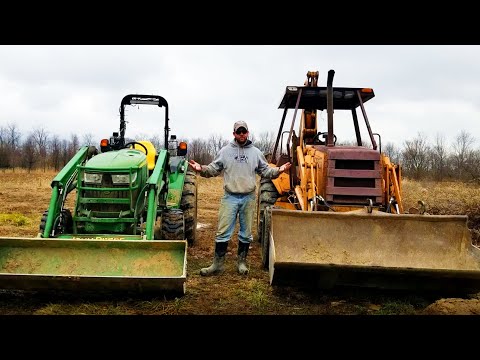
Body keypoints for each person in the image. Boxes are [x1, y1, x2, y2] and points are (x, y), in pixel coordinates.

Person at [188, 120, 291, 276]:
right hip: (229, 197)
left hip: (248, 198)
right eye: (238, 131)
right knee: (222, 232)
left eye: (244, 131)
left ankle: (241, 263)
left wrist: (279, 170)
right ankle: (217, 264)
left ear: (248, 133)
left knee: (246, 233)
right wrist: (200, 168)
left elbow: (266, 171)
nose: (241, 134)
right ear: (234, 133)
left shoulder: (256, 152)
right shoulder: (225, 151)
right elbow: (213, 169)